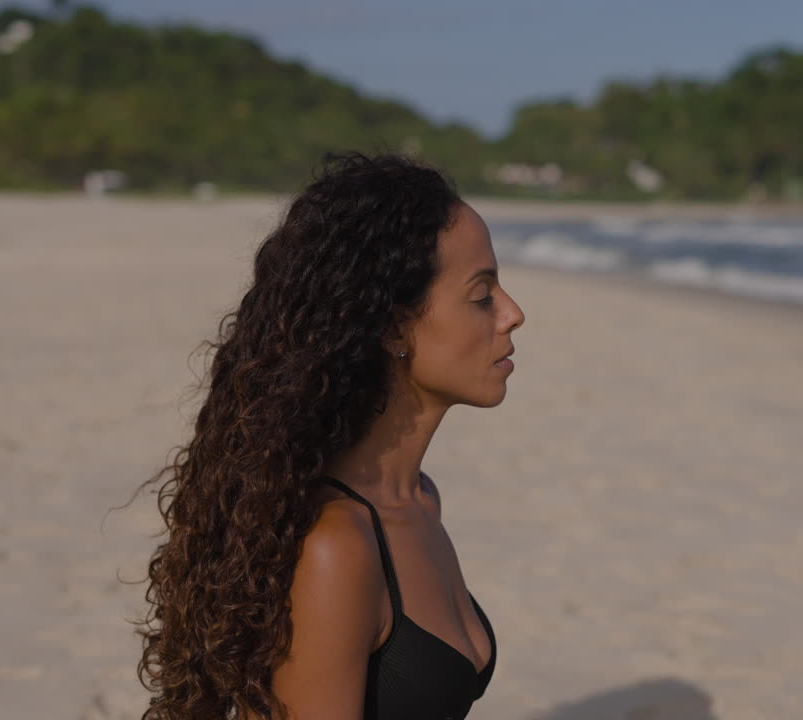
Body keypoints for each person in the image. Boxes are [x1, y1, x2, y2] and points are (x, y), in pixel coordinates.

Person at [135, 152, 526, 720]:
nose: (512, 314)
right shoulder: (335, 548)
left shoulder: (418, 499)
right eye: (481, 294)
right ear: (394, 325)